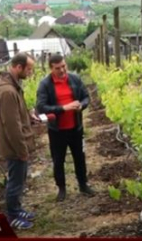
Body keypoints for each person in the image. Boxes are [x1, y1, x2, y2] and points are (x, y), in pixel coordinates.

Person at [36, 53, 95, 202]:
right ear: (51, 69)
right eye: (58, 68)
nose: (62, 70)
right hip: (57, 131)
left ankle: (83, 185)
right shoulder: (45, 84)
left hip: (76, 127)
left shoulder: (75, 79)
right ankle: (61, 188)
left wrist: (81, 105)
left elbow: (86, 96)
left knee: (79, 157)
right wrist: (64, 108)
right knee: (58, 160)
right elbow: (41, 107)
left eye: (63, 66)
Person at [0, 52, 36, 230]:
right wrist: (21, 150)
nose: (31, 73)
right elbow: (12, 126)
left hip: (17, 144)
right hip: (14, 145)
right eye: (29, 69)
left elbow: (16, 116)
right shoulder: (7, 91)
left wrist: (29, 116)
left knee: (19, 178)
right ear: (18, 67)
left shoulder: (12, 86)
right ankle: (12, 217)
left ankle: (17, 210)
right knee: (15, 182)